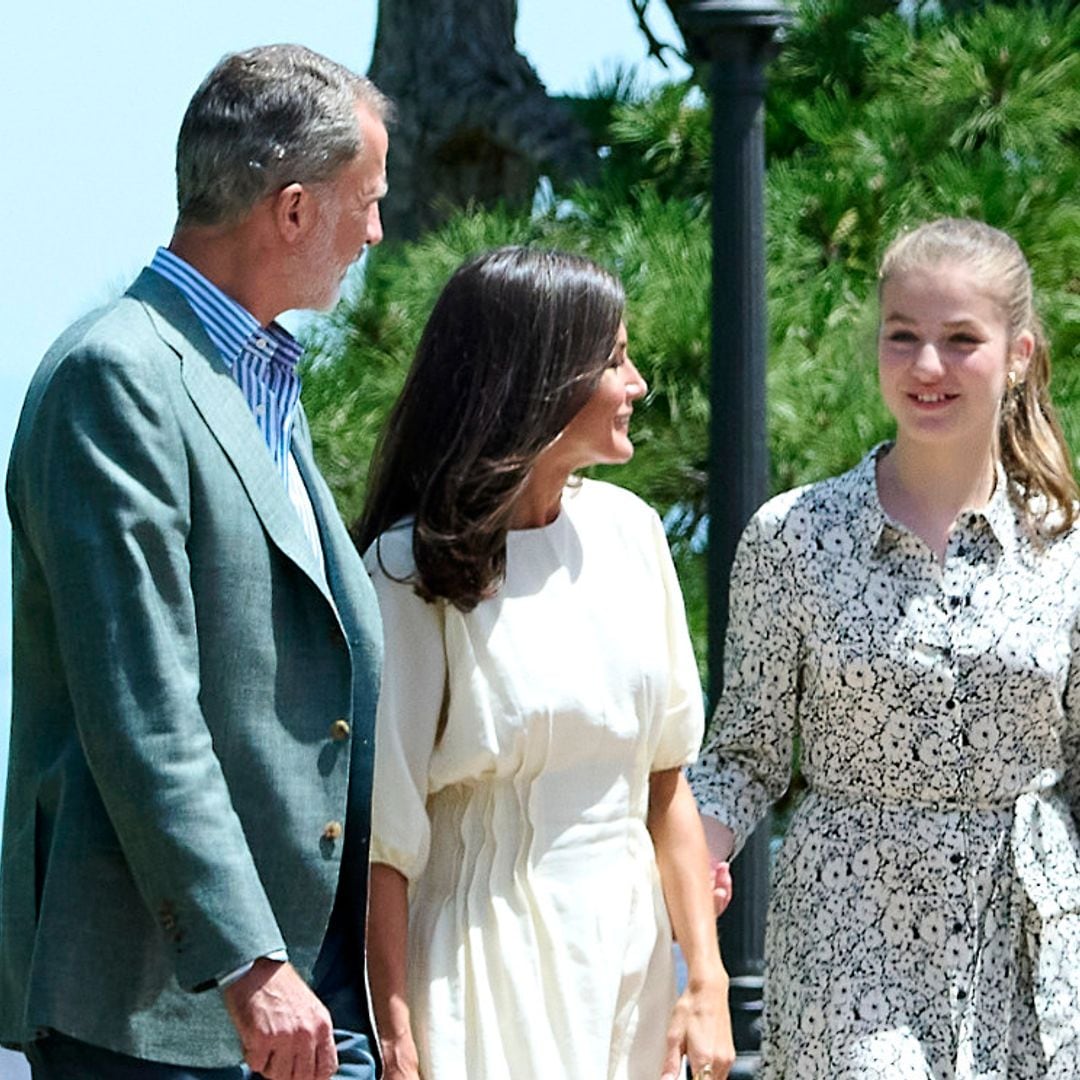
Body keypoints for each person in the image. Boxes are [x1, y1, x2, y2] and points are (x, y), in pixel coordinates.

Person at [0, 45, 390, 1080]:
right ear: (295, 211)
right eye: (369, 200)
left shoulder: (257, 375)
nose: (377, 232)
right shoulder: (116, 375)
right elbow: (143, 705)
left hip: (305, 998)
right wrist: (248, 959)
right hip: (169, 1008)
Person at [693, 217, 1080, 1077]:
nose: (927, 367)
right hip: (848, 933)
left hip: (1034, 946)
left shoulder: (1067, 551)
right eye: (902, 337)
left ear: (1017, 355)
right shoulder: (794, 536)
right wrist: (689, 871)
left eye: (959, 340)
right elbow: (743, 754)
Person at [356, 246, 735, 1080]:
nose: (635, 384)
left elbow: (665, 787)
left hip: (630, 966)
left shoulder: (633, 536)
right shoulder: (406, 572)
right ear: (538, 380)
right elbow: (386, 844)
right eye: (614, 359)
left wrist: (704, 983)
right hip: (479, 970)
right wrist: (397, 1042)